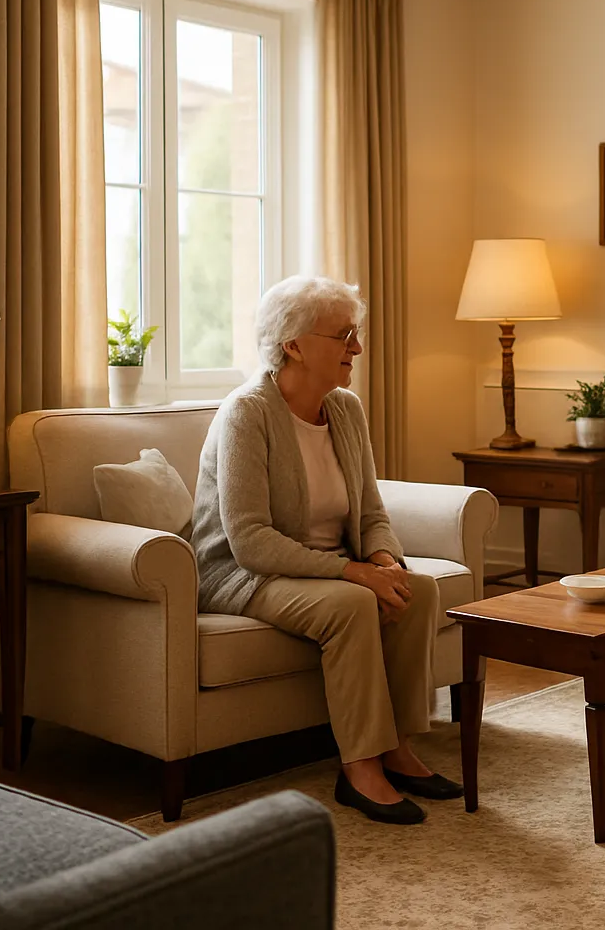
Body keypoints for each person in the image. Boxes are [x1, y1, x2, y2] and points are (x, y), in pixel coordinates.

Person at [192, 275, 459, 825]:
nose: (356, 348)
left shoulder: (346, 409)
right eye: (343, 336)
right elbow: (250, 540)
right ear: (293, 344)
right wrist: (352, 572)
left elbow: (371, 513)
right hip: (245, 574)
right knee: (353, 603)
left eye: (355, 334)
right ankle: (360, 767)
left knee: (416, 589)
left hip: (327, 566)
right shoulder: (247, 413)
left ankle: (397, 747)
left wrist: (382, 561)